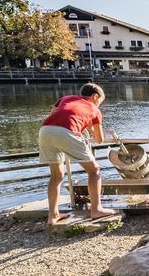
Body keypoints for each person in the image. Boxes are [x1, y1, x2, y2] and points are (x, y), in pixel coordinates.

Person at [38, 82, 119, 226]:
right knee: (94, 171)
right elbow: (99, 139)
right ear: (95, 97)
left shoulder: (67, 98)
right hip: (66, 131)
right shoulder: (94, 109)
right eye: (100, 102)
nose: (99, 105)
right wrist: (93, 126)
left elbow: (57, 113)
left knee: (56, 176)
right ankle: (96, 210)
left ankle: (53, 216)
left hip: (46, 130)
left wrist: (84, 124)